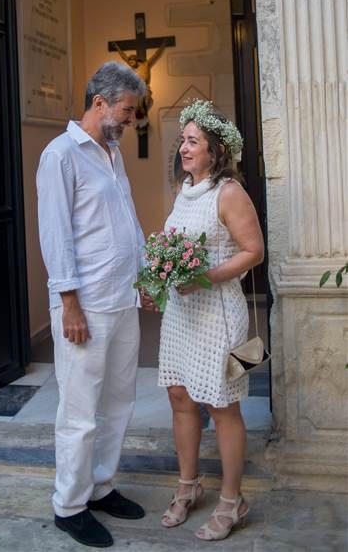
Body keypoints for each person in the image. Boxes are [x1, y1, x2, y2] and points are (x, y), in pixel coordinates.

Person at [36, 61, 149, 548]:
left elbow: (128, 220)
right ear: (99, 102)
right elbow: (55, 235)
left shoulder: (112, 154)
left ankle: (100, 487)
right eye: (127, 110)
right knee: (80, 411)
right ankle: (69, 505)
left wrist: (145, 275)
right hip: (85, 305)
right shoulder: (60, 155)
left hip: (122, 298)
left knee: (119, 402)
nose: (131, 120)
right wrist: (69, 304)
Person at [146, 99, 264, 542]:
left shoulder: (228, 192)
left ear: (216, 150)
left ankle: (232, 501)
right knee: (179, 395)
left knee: (221, 405)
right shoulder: (184, 190)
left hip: (217, 314)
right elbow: (175, 250)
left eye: (193, 141)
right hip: (182, 314)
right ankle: (188, 485)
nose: (184, 148)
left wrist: (204, 278)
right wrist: (159, 280)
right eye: (183, 140)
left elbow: (254, 251)